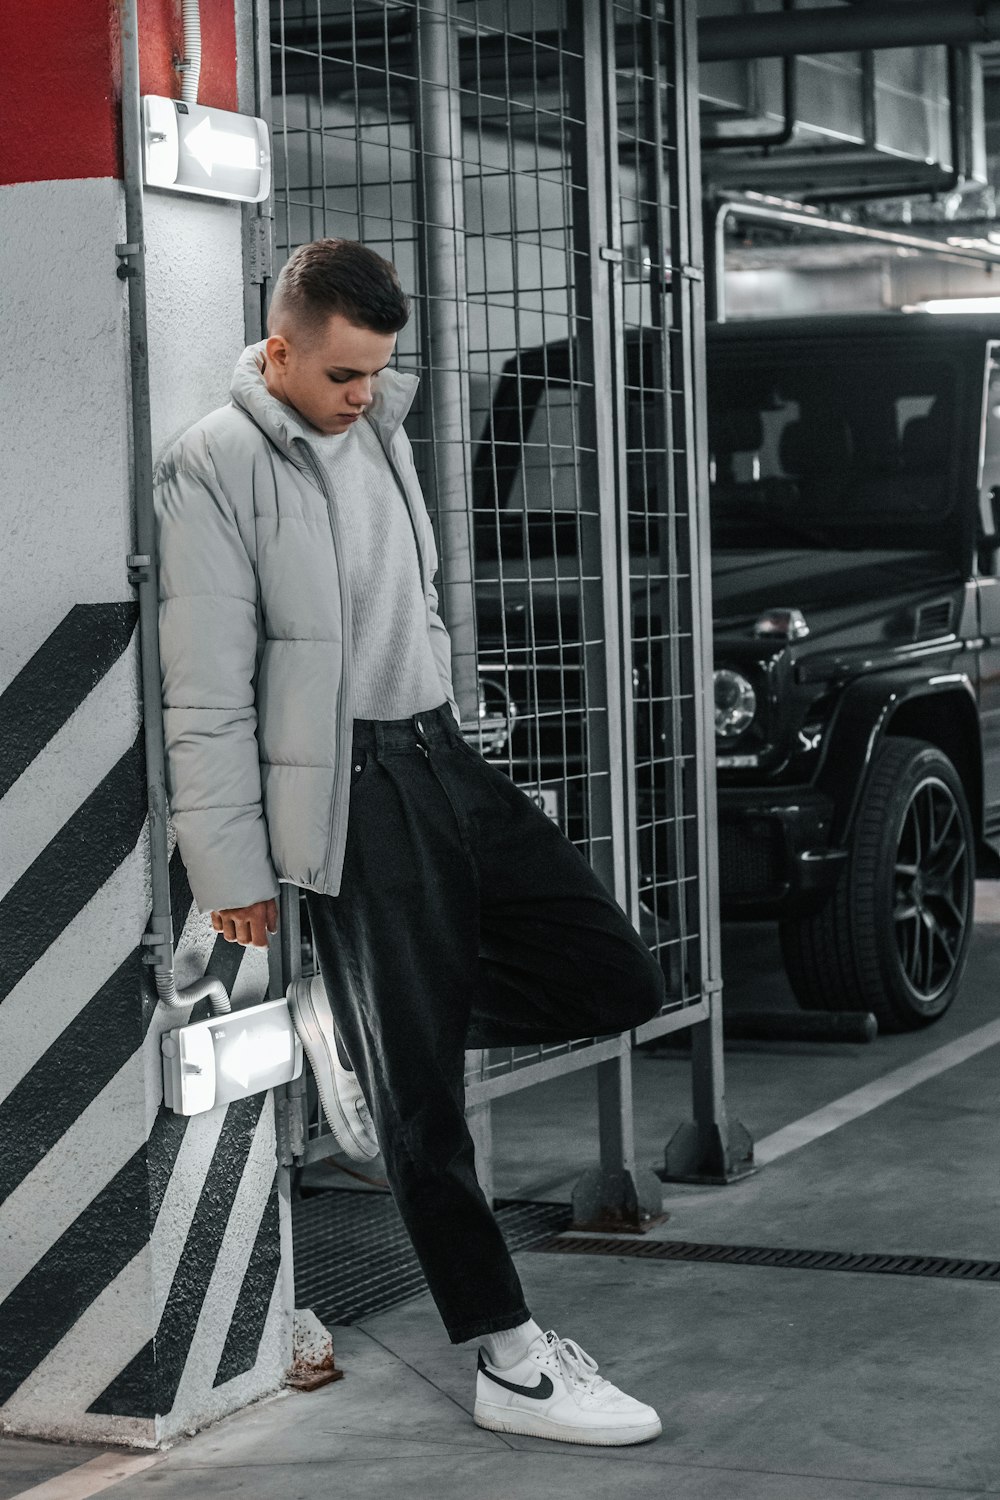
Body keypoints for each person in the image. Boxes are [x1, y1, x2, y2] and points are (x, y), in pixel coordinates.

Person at [154, 237, 666, 1446]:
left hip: (441, 753)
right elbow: (206, 693)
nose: (364, 393)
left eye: (378, 372)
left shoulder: (377, 423)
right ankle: (509, 1360)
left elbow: (407, 593)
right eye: (340, 374)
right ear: (277, 349)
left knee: (615, 971)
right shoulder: (215, 466)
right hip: (356, 792)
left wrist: (439, 672)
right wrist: (232, 871)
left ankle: (375, 1027)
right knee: (427, 1110)